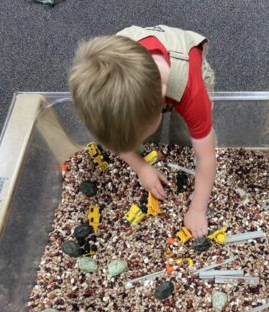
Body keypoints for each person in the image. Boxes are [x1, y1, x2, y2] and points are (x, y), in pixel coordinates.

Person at [68, 25, 216, 237]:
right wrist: (141, 167)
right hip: (146, 62)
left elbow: (207, 158)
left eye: (139, 136)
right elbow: (115, 136)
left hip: (188, 64)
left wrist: (198, 209)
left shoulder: (191, 92)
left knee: (195, 125)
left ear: (161, 100)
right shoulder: (95, 91)